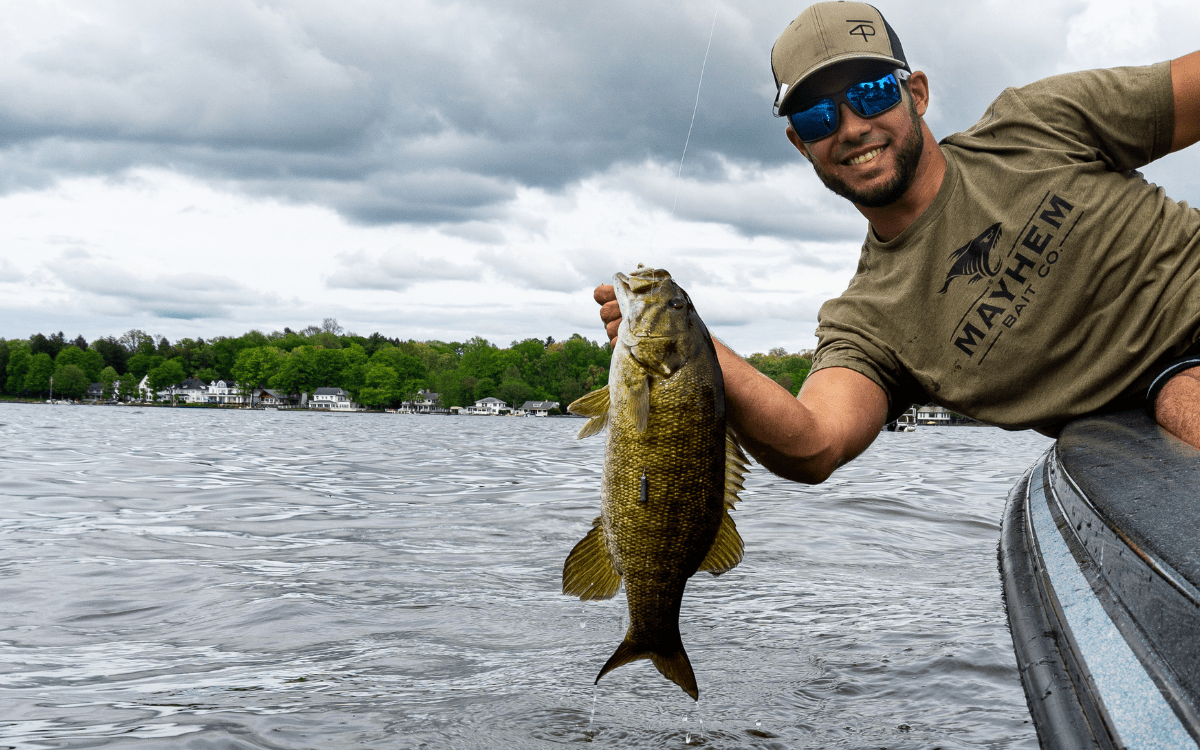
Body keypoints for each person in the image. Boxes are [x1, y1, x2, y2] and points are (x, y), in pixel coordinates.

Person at [593, 1, 1200, 483]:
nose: (852, 127)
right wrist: (685, 337)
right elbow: (814, 443)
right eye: (817, 118)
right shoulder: (870, 322)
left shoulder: (1036, 122)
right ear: (799, 145)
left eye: (872, 92)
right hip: (1166, 387)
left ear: (918, 94)